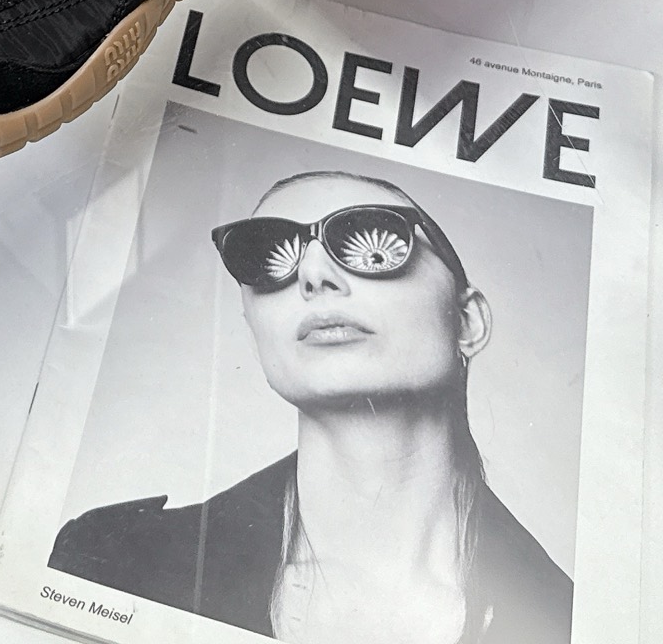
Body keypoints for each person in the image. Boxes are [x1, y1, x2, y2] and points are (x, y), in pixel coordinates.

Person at [50, 171, 573, 643]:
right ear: (255, 331)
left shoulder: (572, 622)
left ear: (467, 322)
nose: (314, 275)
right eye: (266, 255)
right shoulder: (113, 560)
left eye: (373, 240)